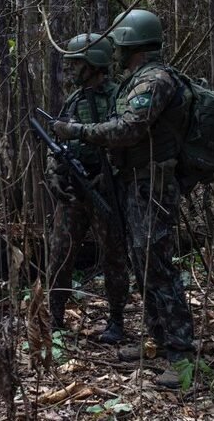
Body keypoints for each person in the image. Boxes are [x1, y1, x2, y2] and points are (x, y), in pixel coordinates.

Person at [52, 9, 195, 365]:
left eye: (118, 42)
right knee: (145, 265)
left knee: (157, 266)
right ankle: (160, 344)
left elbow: (129, 129)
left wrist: (81, 133)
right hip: (135, 186)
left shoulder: (155, 79)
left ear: (132, 42)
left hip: (150, 187)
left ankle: (180, 354)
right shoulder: (136, 81)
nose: (114, 50)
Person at [45, 33, 129, 344]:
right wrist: (53, 172)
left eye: (77, 62)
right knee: (60, 253)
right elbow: (56, 141)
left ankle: (117, 322)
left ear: (94, 63)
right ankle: (54, 319)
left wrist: (109, 179)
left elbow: (127, 139)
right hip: (72, 189)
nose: (71, 68)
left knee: (114, 257)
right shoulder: (74, 100)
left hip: (106, 191)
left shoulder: (119, 97)